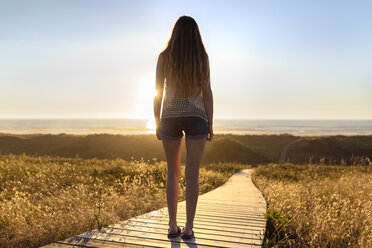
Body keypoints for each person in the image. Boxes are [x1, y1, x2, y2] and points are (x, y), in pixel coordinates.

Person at [153, 15, 214, 239]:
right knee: (192, 175)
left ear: (175, 33)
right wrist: (211, 123)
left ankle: (172, 226)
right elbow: (206, 94)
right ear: (196, 35)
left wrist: (157, 122)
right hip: (197, 116)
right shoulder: (201, 57)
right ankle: (188, 228)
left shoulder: (164, 57)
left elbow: (157, 93)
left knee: (173, 173)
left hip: (169, 116)